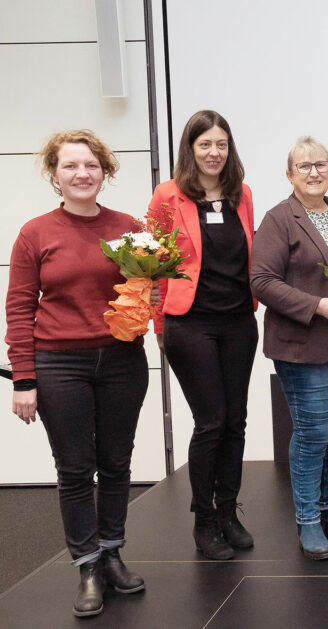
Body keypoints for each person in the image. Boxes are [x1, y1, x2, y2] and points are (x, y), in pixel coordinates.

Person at [6, 131, 148, 617]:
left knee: (115, 463)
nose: (82, 174)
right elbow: (20, 308)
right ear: (54, 175)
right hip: (58, 363)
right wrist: (23, 378)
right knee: (73, 469)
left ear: (104, 171)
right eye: (70, 166)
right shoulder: (35, 232)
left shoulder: (129, 227)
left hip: (122, 361)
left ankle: (111, 553)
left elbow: (147, 289)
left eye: (90, 165)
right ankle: (87, 565)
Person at [250, 136, 328, 560]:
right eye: (304, 166)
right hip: (303, 343)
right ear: (289, 175)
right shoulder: (278, 219)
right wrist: (318, 307)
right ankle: (307, 521)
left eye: (320, 164)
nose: (314, 172)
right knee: (312, 433)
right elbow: (262, 282)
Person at [150, 110, 259, 560]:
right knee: (210, 420)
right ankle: (204, 520)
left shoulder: (242, 194)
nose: (214, 153)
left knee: (236, 420)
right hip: (189, 323)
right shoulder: (167, 196)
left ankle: (229, 511)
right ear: (189, 149)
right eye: (205, 145)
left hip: (238, 322)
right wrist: (159, 323)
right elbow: (152, 263)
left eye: (221, 144)